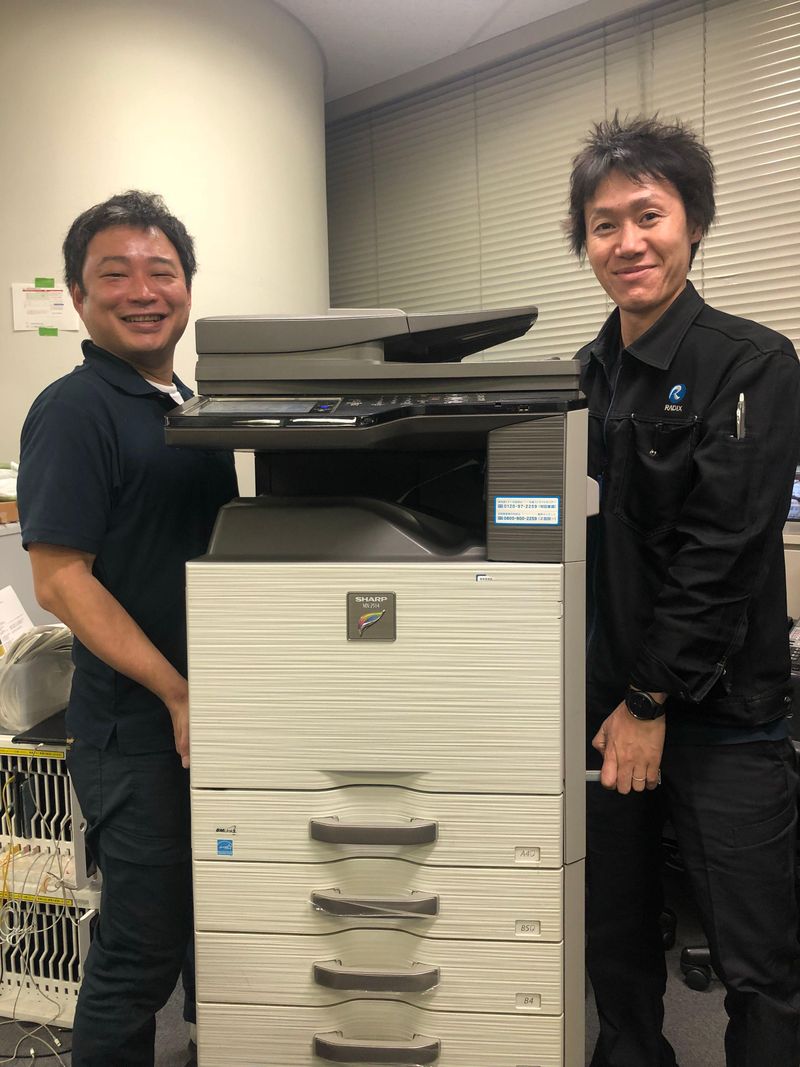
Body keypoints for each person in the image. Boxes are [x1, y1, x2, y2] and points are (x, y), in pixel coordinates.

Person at [567, 115, 800, 1067]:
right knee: (616, 945)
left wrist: (648, 699)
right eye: (604, 224)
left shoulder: (752, 363)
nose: (627, 242)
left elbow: (722, 553)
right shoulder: (582, 377)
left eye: (648, 215)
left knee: (758, 963)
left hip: (717, 716)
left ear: (693, 224)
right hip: (608, 712)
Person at [17, 191, 238, 1067]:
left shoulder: (182, 403)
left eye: (162, 272)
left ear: (187, 287)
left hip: (197, 718)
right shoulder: (76, 409)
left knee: (209, 930)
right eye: (116, 275)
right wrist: (177, 691)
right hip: (137, 732)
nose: (143, 291)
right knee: (139, 954)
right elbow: (61, 580)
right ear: (78, 296)